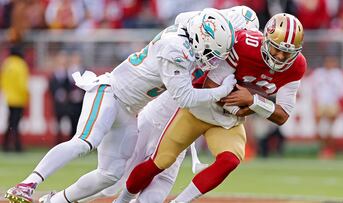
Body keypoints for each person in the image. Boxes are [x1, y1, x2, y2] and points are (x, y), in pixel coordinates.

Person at [5, 8, 236, 203]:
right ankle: (27, 184)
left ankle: (55, 201)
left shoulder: (187, 28)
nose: (211, 59)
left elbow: (188, 17)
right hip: (110, 93)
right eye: (210, 52)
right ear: (199, 38)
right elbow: (185, 98)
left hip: (129, 110)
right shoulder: (175, 48)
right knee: (85, 142)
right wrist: (222, 91)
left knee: (110, 175)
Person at [115, 13, 307, 203]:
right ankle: (122, 200)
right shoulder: (245, 45)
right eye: (276, 49)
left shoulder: (297, 66)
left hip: (227, 122)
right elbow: (211, 86)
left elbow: (282, 115)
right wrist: (241, 106)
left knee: (230, 161)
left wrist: (253, 101)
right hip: (199, 110)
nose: (281, 56)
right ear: (266, 40)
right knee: (160, 162)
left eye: (288, 52)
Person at [310, 55, 343, 158]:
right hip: (321, 103)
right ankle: (323, 148)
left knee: (330, 129)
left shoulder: (338, 75)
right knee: (319, 129)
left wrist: (340, 103)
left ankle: (329, 150)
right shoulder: (318, 73)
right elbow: (312, 88)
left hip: (332, 103)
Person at [1, 44, 29, 152]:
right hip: (18, 98)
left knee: (10, 123)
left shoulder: (7, 64)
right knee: (15, 123)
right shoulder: (21, 64)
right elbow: (22, 84)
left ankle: (6, 145)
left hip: (8, 98)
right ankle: (17, 145)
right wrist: (26, 96)